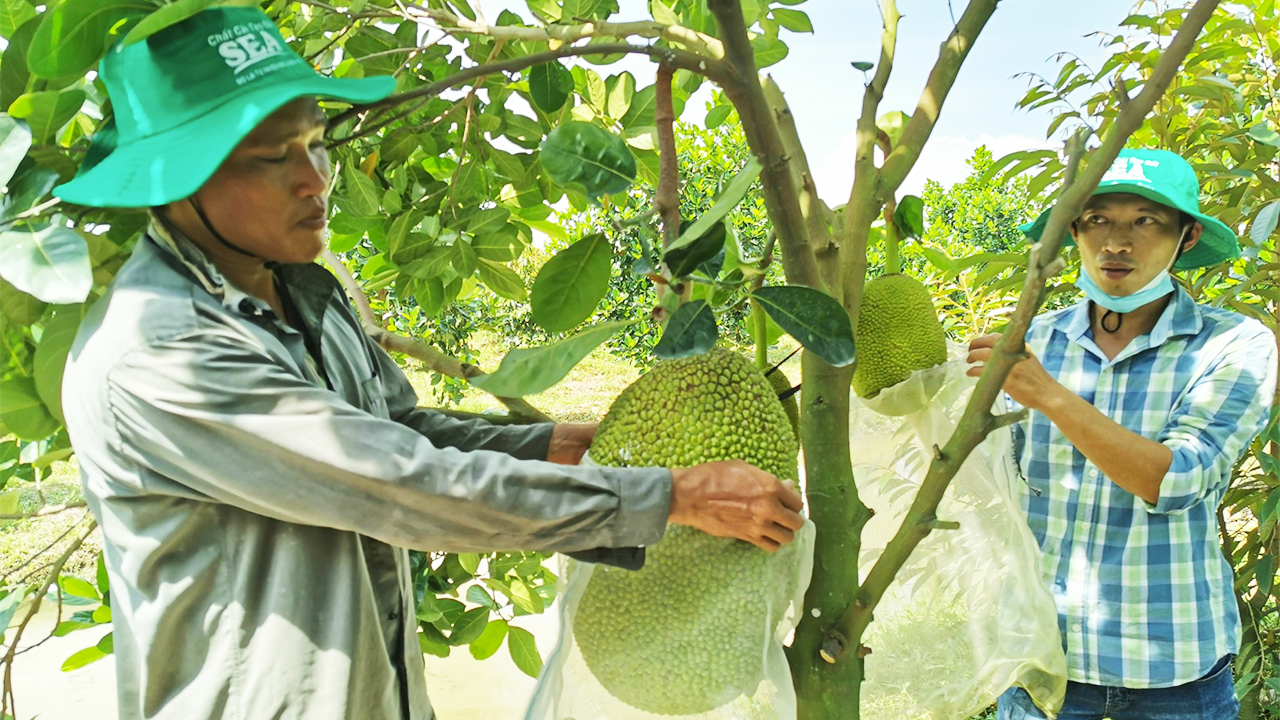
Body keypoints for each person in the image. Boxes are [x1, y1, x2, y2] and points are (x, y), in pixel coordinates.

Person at [52, 7, 806, 720]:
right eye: (272, 157)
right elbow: (400, 484)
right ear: (176, 182)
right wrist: (672, 497)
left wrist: (546, 445)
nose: (316, 179)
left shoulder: (305, 288)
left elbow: (395, 428)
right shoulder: (157, 349)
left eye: (316, 142)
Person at [966, 148, 1277, 720]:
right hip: (1042, 663)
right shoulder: (1030, 342)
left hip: (1172, 670)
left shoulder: (1234, 344)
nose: (1116, 242)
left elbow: (1179, 479)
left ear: (1186, 238)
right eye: (1098, 219)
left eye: (1145, 221)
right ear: (1075, 232)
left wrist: (1051, 396)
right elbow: (985, 476)